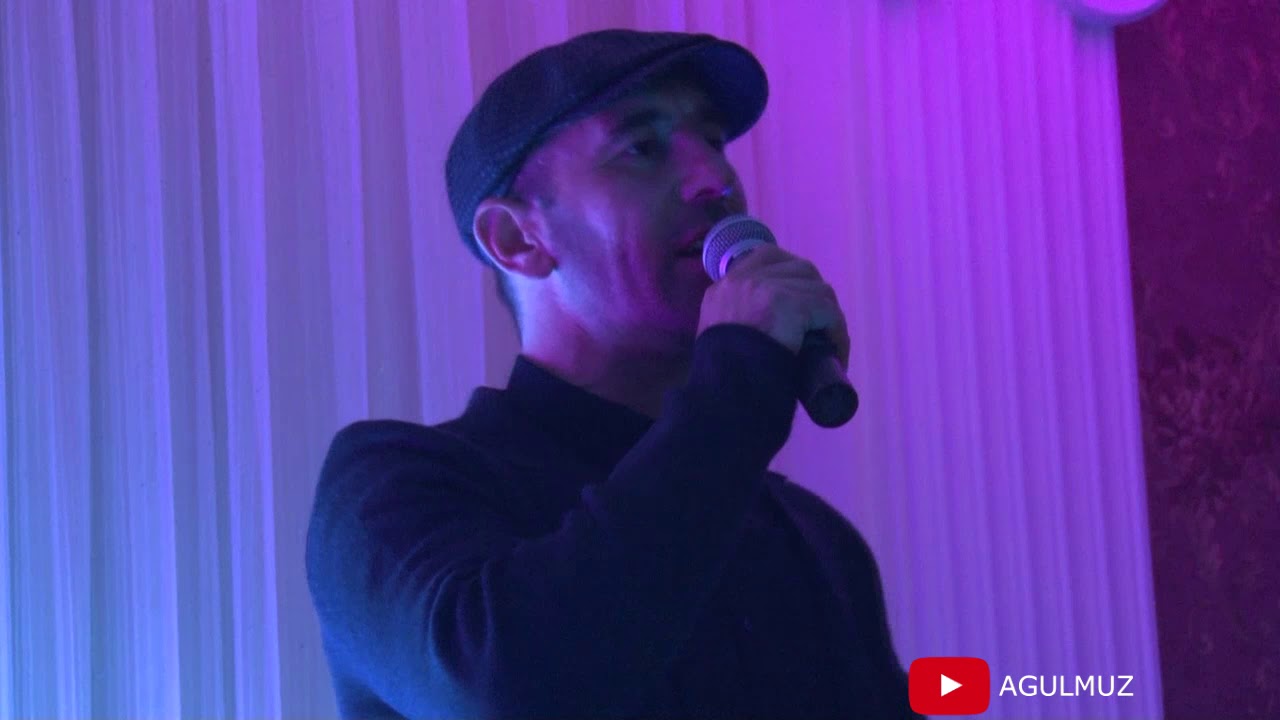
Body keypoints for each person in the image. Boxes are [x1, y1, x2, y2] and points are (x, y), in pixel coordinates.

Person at [306, 28, 918, 720]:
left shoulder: (811, 537)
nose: (716, 180)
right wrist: (739, 381)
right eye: (643, 148)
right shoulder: (394, 485)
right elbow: (507, 689)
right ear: (517, 239)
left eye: (714, 140)